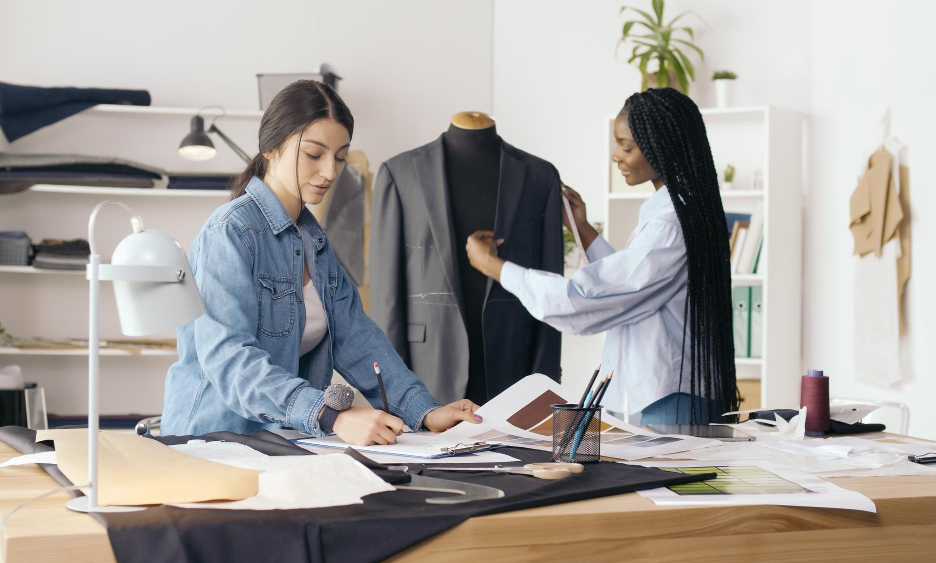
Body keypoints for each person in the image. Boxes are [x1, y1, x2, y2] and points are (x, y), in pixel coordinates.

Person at [163, 80, 480, 445]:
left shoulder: (314, 243)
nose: (330, 171)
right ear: (271, 148)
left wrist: (424, 410)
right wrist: (330, 415)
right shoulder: (229, 234)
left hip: (283, 443)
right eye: (314, 154)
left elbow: (358, 339)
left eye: (341, 156)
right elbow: (232, 362)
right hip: (213, 444)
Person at [465, 88, 738, 424]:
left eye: (627, 147)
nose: (616, 156)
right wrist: (583, 229)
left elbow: (583, 298)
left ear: (663, 149)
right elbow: (634, 285)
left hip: (668, 402)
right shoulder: (680, 211)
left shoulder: (668, 225)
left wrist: (492, 265)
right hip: (668, 395)